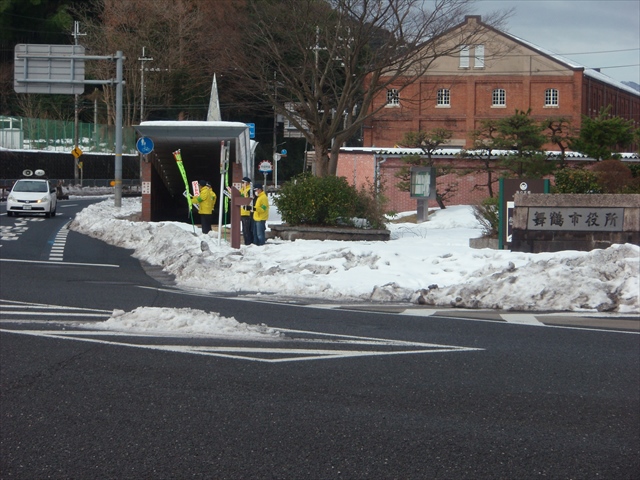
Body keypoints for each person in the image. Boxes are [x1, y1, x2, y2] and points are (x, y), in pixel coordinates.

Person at [239, 177, 254, 245]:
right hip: (242, 211)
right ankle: (246, 242)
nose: (242, 184)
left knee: (247, 230)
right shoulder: (242, 190)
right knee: (244, 230)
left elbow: (249, 200)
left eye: (244, 182)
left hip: (247, 212)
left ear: (248, 183)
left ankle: (248, 243)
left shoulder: (249, 190)